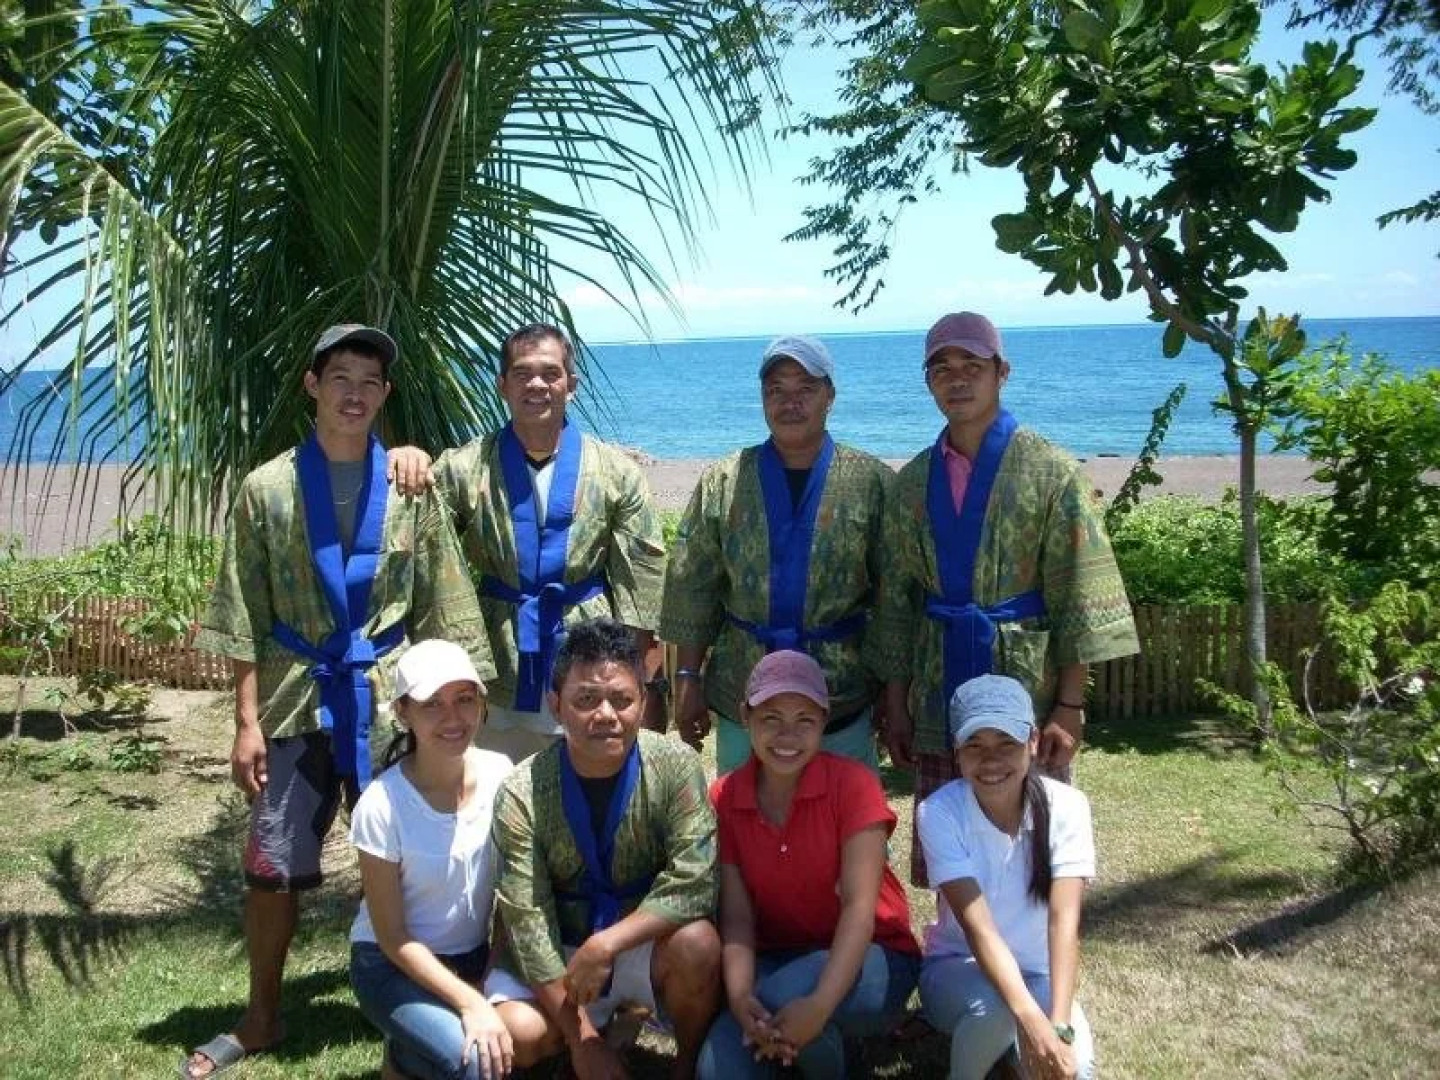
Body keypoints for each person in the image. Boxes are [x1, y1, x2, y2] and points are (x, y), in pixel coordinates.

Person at [185, 325, 490, 1079]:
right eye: (341, 378)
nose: (355, 393)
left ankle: (424, 995)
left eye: (370, 382)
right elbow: (244, 610)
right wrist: (246, 724)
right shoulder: (266, 489)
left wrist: (455, 706)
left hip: (391, 701)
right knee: (272, 862)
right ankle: (262, 1014)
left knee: (413, 850)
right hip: (297, 696)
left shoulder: (411, 485)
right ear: (312, 386)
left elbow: (443, 598)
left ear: (386, 395)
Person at [866, 311, 1138, 885]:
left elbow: (1078, 592)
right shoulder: (911, 483)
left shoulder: (1050, 472)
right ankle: (957, 937)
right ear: (928, 382)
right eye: (942, 368)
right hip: (938, 687)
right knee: (951, 847)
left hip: (1025, 687)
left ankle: (1039, 940)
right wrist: (896, 703)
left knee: (1032, 852)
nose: (957, 379)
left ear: (1001, 373)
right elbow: (896, 602)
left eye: (972, 365)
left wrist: (1069, 706)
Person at [389, 324, 667, 763]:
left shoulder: (616, 473)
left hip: (587, 653)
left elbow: (643, 584)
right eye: (522, 374)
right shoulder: (464, 467)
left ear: (571, 385)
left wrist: (641, 678)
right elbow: (416, 528)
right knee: (496, 787)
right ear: (502, 385)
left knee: (588, 786)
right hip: (498, 655)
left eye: (550, 373)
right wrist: (405, 457)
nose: (537, 384)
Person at [485, 617, 721, 1080]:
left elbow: (697, 881)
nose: (606, 714)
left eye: (622, 699)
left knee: (698, 944)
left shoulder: (676, 766)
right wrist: (583, 1041)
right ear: (556, 705)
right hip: (558, 945)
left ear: (644, 701)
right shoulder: (520, 791)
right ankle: (585, 1036)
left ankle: (686, 1064)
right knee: (519, 1036)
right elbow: (528, 924)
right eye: (586, 699)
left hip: (637, 942)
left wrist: (607, 945)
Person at [660, 336, 890, 773]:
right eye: (776, 390)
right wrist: (687, 677)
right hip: (744, 693)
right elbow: (692, 587)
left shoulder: (871, 482)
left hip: (840, 694)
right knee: (745, 811)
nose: (790, 403)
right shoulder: (724, 480)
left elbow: (893, 596)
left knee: (843, 812)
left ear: (830, 396)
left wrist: (893, 692)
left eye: (805, 389)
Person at [699, 650, 920, 1079]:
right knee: (717, 1070)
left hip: (872, 956)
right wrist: (741, 999)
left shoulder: (854, 785)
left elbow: (859, 910)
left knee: (781, 999)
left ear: (823, 721)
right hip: (775, 959)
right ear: (745, 717)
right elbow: (737, 917)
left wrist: (819, 1007)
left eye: (805, 720)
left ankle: (823, 1051)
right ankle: (808, 1045)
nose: (788, 735)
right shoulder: (724, 797)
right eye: (771, 718)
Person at [348, 639, 514, 1080]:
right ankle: (409, 1049)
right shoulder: (382, 805)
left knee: (516, 1046)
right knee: (478, 1064)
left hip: (472, 956)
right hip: (390, 966)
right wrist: (472, 1002)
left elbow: (513, 893)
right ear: (403, 713)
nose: (453, 718)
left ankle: (408, 1054)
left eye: (464, 699)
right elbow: (392, 938)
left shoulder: (502, 774)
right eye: (432, 704)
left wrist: (491, 976)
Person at [917, 674, 1097, 1080]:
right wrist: (1031, 1022)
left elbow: (1064, 923)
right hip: (957, 967)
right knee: (995, 1012)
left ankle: (1012, 1058)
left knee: (1077, 1069)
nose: (991, 760)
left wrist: (1059, 1026)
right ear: (957, 752)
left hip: (1040, 974)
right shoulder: (938, 812)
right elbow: (979, 929)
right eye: (975, 745)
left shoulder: (1069, 806)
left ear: (1033, 742)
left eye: (1007, 743)